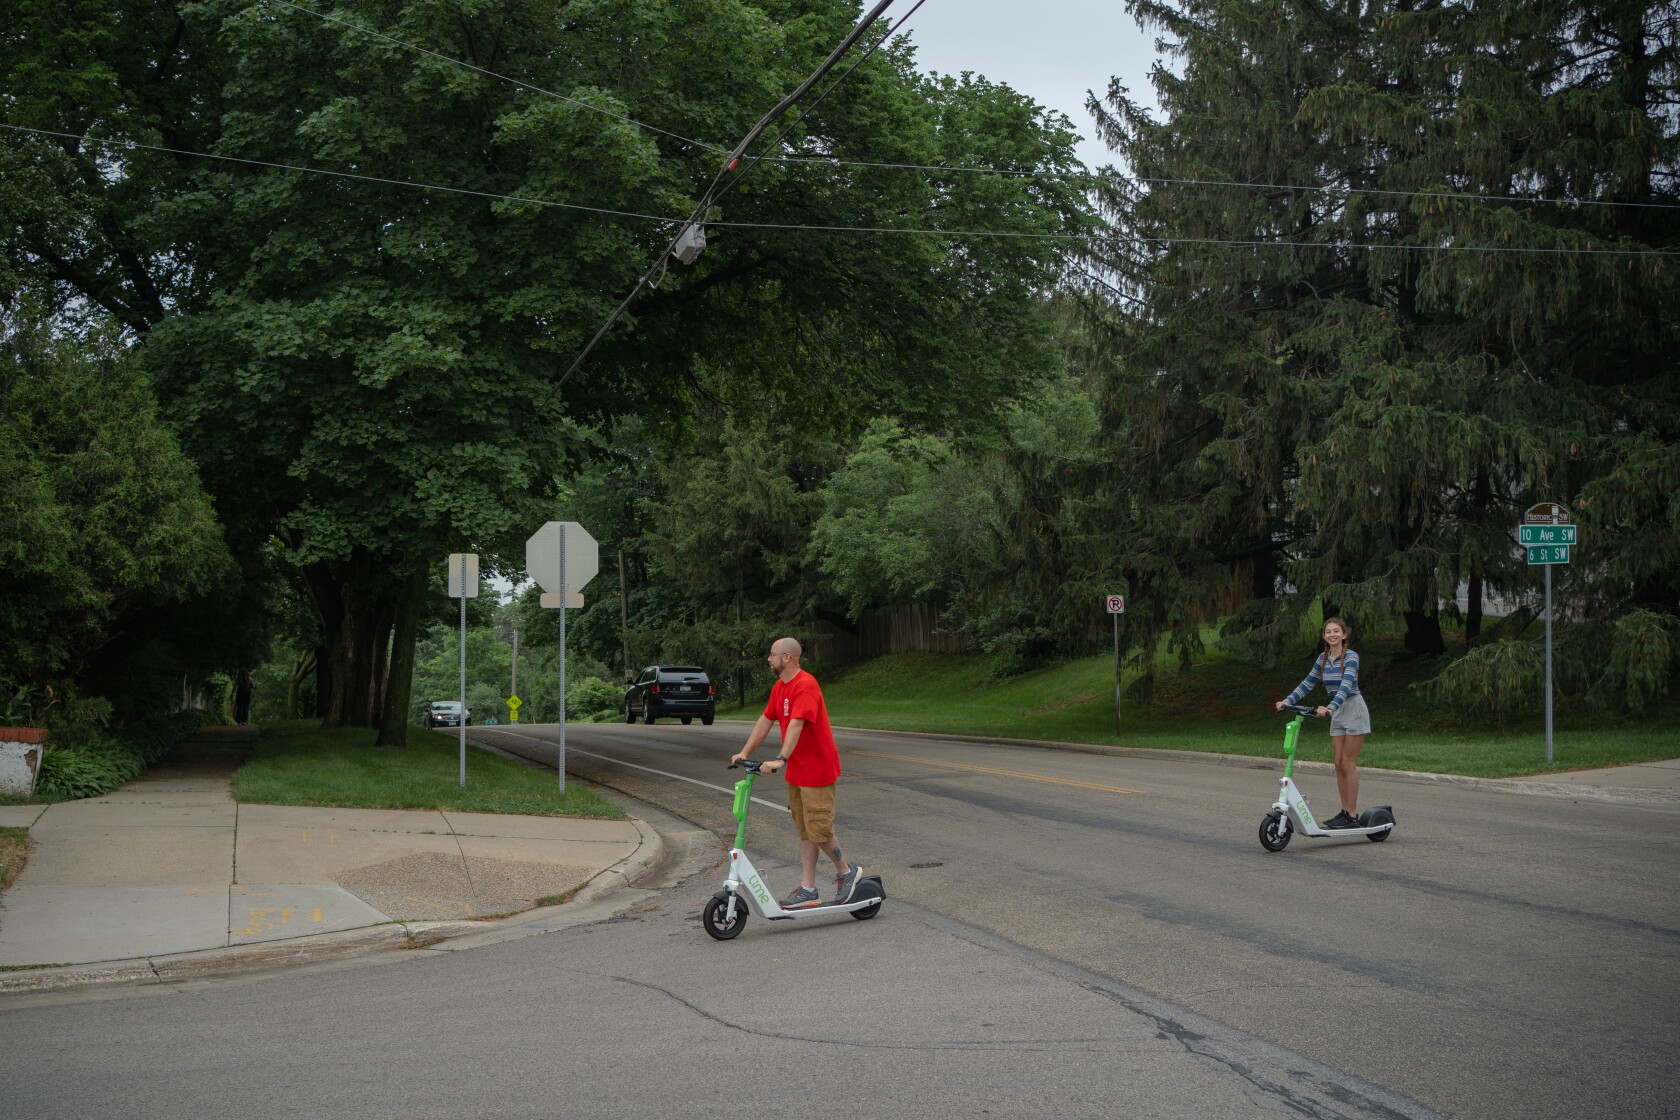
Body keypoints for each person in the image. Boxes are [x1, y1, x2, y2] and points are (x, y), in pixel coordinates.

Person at [730, 637, 861, 908]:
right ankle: (808, 889)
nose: (769, 659)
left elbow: (797, 724)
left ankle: (846, 871)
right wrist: (745, 752)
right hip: (798, 772)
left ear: (787, 657)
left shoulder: (806, 685)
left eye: (772, 654)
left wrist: (780, 759)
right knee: (805, 831)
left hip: (817, 771)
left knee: (819, 828)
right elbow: (765, 720)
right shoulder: (780, 687)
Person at [1276, 617, 1371, 829]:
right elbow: (1308, 682)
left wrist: (1330, 707)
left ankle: (1352, 815)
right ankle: (1344, 812)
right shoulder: (1323, 658)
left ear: (1344, 634)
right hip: (1336, 712)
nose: (1332, 635)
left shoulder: (1351, 657)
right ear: (1324, 636)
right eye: (1328, 632)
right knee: (1338, 763)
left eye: (1336, 631)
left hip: (1352, 709)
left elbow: (1346, 685)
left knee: (1348, 763)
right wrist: (1287, 701)